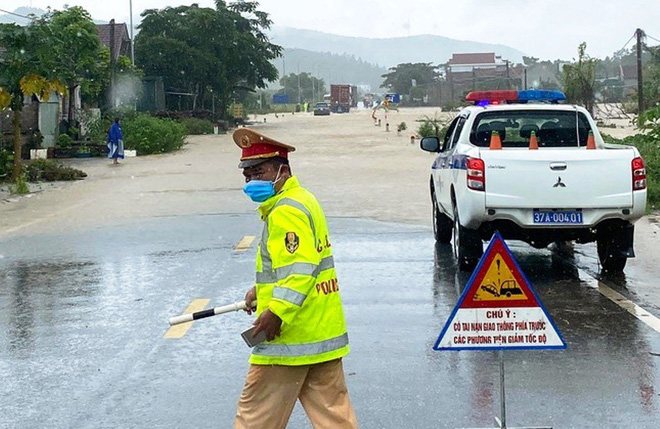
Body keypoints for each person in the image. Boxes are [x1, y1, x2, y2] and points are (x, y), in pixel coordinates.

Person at [233, 128, 358, 429]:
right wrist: (259, 293)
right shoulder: (304, 199)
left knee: (254, 420)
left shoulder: (285, 211)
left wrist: (275, 313)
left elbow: (300, 270)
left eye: (259, 172)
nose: (252, 181)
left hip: (289, 339)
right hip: (320, 334)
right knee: (335, 420)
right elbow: (301, 265)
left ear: (282, 170)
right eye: (247, 174)